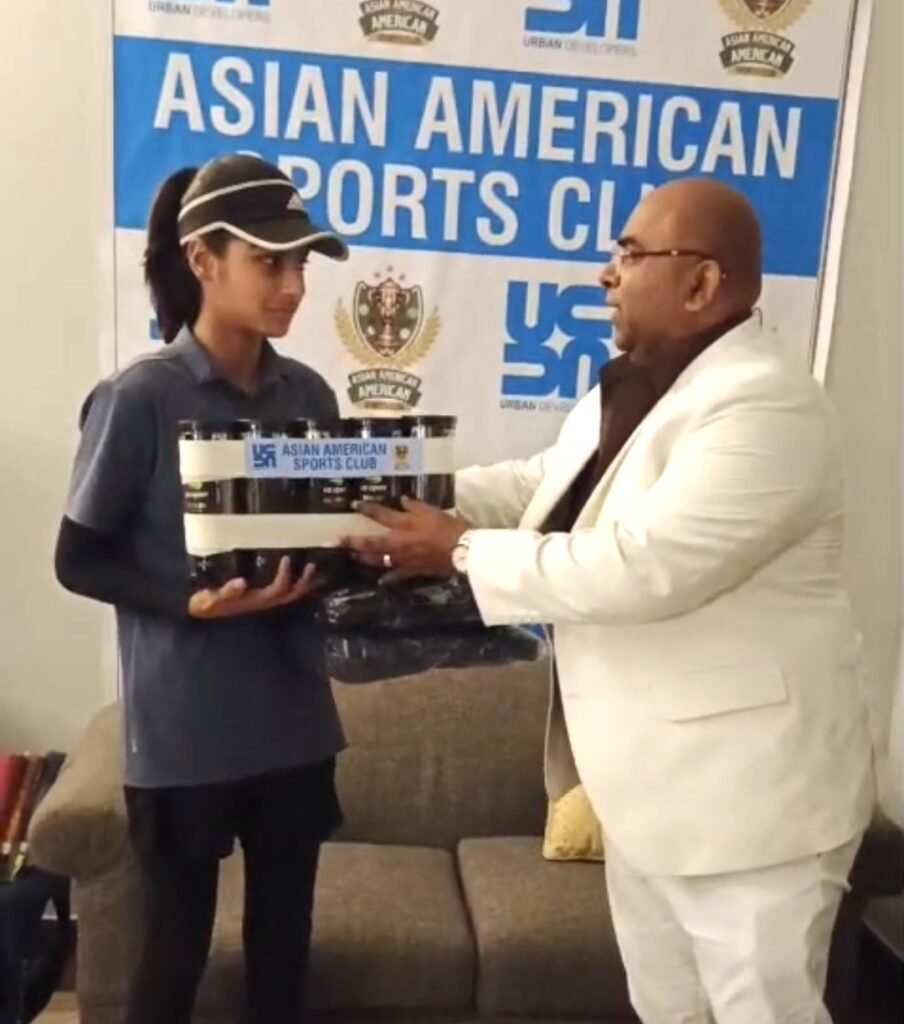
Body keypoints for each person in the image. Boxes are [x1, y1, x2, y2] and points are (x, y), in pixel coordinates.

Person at [346, 179, 877, 1024]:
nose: (606, 274)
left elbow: (645, 567)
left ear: (701, 282)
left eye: (630, 254)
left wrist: (459, 550)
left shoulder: (767, 405)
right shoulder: (632, 388)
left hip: (751, 809)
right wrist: (400, 493)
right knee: (668, 1009)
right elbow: (538, 487)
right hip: (647, 795)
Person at [55, 154, 349, 1024]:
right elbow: (79, 559)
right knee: (174, 949)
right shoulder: (138, 398)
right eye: (270, 262)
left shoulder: (310, 396)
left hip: (295, 720)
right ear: (201, 260)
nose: (293, 286)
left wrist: (366, 556)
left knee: (283, 946)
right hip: (183, 731)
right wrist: (192, 601)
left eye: (301, 265)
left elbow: (324, 543)